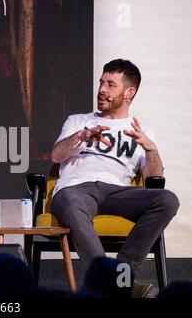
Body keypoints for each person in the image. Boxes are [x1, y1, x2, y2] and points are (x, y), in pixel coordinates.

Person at [50, 59, 179, 295]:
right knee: (73, 206)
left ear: (129, 93)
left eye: (111, 84)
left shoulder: (141, 129)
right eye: (101, 82)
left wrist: (150, 150)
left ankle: (122, 274)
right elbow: (56, 156)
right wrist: (82, 135)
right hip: (75, 189)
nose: (102, 89)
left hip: (117, 191)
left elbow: (153, 180)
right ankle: (117, 286)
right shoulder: (78, 121)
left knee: (167, 200)